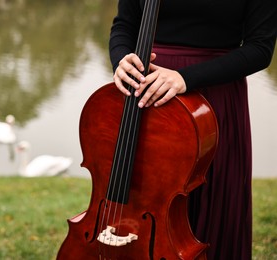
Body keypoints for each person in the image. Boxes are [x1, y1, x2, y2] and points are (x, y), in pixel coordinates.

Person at [109, 0, 277, 259]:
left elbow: (260, 49)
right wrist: (121, 59)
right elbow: (124, 25)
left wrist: (185, 78)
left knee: (209, 199)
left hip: (213, 96)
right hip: (148, 95)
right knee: (140, 198)